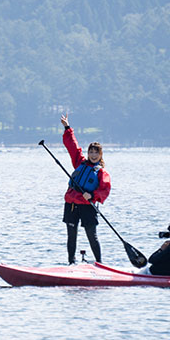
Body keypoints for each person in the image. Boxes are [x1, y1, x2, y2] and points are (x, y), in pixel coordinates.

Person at [60, 113, 111, 264]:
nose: (93, 155)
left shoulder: (101, 172)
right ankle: (71, 261)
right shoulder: (80, 162)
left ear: (100, 155)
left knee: (92, 236)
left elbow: (105, 190)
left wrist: (93, 196)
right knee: (71, 235)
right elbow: (72, 146)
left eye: (96, 152)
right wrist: (67, 127)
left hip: (88, 206)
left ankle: (100, 263)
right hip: (72, 204)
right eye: (91, 152)